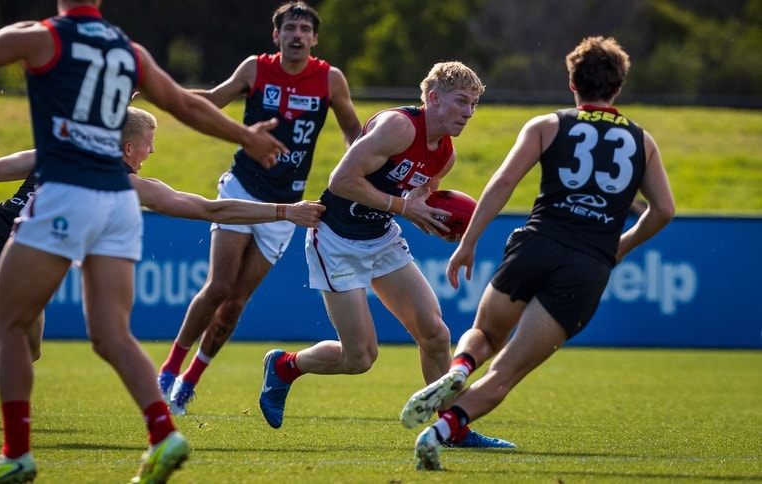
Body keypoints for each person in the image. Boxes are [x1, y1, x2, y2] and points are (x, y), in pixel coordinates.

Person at [0, 1, 291, 481]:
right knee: (111, 334)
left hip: (66, 193)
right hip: (117, 202)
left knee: (8, 329)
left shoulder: (44, 36)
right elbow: (187, 104)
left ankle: (16, 455)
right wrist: (244, 137)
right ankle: (164, 434)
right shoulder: (128, 51)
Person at [0, 107, 324, 445]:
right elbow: (212, 210)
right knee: (29, 353)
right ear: (126, 148)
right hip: (26, 260)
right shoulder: (126, 184)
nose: (151, 152)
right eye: (148, 145)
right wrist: (285, 211)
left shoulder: (60, 151)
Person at [399, 36, 675, 471]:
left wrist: (467, 243)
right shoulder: (642, 142)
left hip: (538, 242)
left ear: (572, 83)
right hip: (587, 264)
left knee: (486, 335)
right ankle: (438, 432)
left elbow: (503, 183)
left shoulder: (548, 125)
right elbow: (664, 211)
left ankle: (458, 369)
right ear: (618, 86)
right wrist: (619, 248)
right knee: (506, 372)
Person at [257, 61, 516, 450]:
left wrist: (434, 223)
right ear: (433, 98)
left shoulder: (446, 155)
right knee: (360, 357)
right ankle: (284, 366)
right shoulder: (400, 127)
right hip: (337, 239)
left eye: (474, 104)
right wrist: (404, 208)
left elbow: (415, 202)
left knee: (436, 334)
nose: (468, 112)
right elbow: (341, 181)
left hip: (381, 237)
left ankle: (452, 428)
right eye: (461, 101)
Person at [156, 1, 362, 416]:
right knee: (219, 287)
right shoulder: (255, 69)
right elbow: (212, 100)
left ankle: (189, 382)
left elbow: (353, 132)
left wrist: (364, 169)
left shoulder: (330, 79)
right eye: (290, 28)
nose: (298, 35)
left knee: (234, 305)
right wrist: (163, 94)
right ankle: (168, 371)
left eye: (305, 28)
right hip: (242, 188)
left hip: (288, 203)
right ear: (277, 35)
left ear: (315, 38)